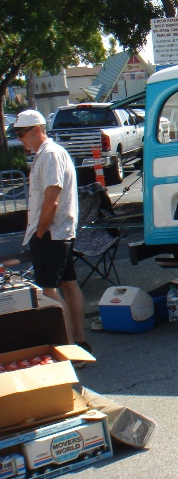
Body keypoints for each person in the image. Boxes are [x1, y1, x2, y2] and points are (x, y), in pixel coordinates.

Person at [14, 109, 90, 352]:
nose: (20, 139)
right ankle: (79, 342)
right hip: (59, 231)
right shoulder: (49, 153)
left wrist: (40, 231)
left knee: (50, 291)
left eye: (22, 133)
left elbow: (52, 199)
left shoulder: (50, 154)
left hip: (51, 232)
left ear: (37, 129)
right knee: (69, 284)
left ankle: (69, 348)